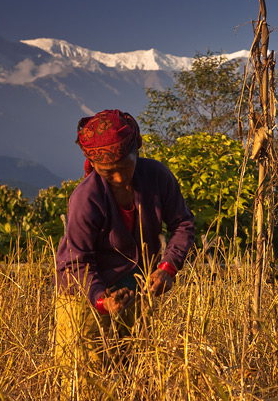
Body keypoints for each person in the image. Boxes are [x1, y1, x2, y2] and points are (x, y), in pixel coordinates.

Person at [54, 109, 195, 397]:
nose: (119, 177)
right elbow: (76, 261)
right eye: (108, 172)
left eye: (125, 166)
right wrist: (102, 301)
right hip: (84, 295)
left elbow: (183, 224)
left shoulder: (157, 177)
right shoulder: (86, 198)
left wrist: (168, 267)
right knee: (88, 381)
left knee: (136, 374)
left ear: (138, 148)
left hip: (135, 289)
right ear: (93, 163)